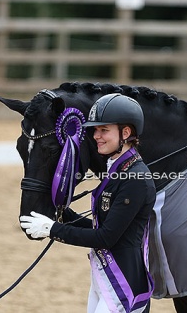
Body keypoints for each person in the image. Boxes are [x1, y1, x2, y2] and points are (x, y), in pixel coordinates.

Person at [20, 93, 156, 313]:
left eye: (104, 130)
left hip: (122, 285)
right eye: (95, 130)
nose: (96, 136)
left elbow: (106, 237)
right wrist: (65, 215)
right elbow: (100, 227)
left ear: (126, 133)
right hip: (103, 279)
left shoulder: (135, 179)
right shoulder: (118, 170)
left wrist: (52, 229)